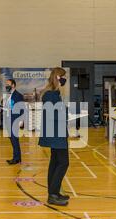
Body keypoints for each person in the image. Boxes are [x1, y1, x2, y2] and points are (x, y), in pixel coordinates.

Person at [39, 67, 70, 206]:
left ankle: (54, 192)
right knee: (63, 162)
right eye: (63, 77)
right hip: (56, 133)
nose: (65, 80)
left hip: (56, 132)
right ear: (58, 77)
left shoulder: (53, 93)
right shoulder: (50, 95)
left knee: (55, 162)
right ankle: (52, 194)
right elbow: (53, 115)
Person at [4, 79, 24, 165]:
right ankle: (17, 157)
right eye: (6, 84)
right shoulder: (9, 96)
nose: (6, 86)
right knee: (13, 140)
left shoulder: (18, 95)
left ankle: (16, 159)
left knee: (14, 140)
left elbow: (22, 108)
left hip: (14, 120)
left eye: (8, 84)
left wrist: (21, 120)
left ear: (13, 85)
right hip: (9, 120)